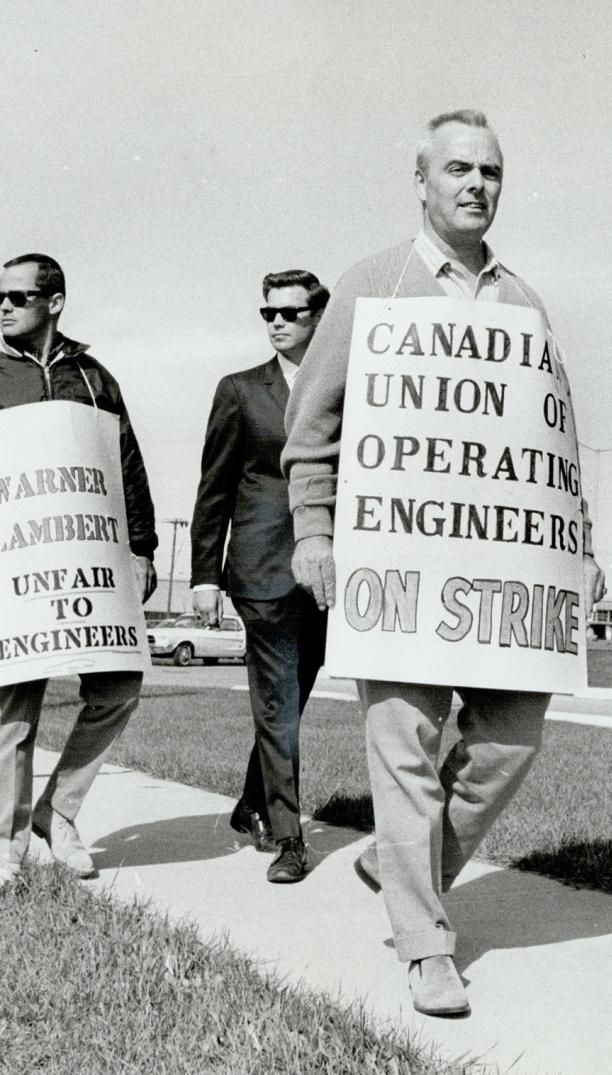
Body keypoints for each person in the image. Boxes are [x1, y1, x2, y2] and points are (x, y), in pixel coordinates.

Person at [283, 110, 605, 1017]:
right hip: (394, 565)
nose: (474, 184)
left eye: (490, 172)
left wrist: (576, 547)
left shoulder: (523, 303)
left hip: (502, 582)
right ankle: (424, 943)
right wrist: (314, 534)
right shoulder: (369, 287)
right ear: (420, 179)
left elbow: (555, 441)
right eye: (457, 168)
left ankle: (399, 866)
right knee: (406, 752)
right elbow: (309, 434)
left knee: (509, 742)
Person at [0, 253, 158, 892]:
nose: (3, 306)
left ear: (53, 302)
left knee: (119, 690)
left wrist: (142, 550)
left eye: (17, 297)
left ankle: (59, 810)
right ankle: (4, 850)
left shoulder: (94, 379)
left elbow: (126, 467)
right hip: (13, 573)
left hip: (89, 575)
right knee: (15, 713)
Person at [189, 271, 331, 884]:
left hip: (325, 571)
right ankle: (289, 837)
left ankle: (252, 801)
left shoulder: (345, 389)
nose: (276, 322)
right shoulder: (240, 391)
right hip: (261, 568)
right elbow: (213, 486)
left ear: (318, 318)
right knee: (277, 702)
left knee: (293, 697)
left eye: (291, 313)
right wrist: (203, 575)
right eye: (267, 312)